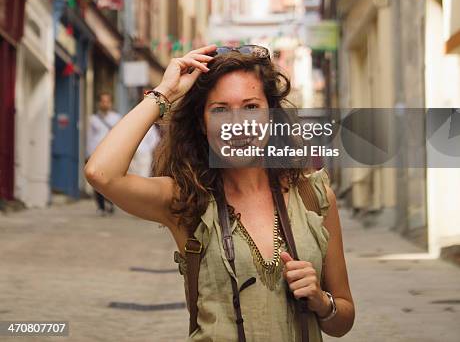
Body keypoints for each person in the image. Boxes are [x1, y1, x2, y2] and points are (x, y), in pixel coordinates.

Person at [85, 45, 355, 340]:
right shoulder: (187, 200)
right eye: (220, 110)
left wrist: (320, 300)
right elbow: (101, 174)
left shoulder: (313, 197)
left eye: (251, 107)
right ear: (202, 124)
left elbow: (342, 320)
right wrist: (164, 93)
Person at [86, 91, 121, 216]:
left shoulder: (116, 118)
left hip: (112, 154)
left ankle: (110, 203)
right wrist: (89, 154)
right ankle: (100, 207)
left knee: (110, 180)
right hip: (96, 154)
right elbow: (90, 137)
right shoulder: (93, 119)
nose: (105, 104)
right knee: (96, 180)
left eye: (107, 101)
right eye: (103, 101)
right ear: (99, 103)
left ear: (111, 103)